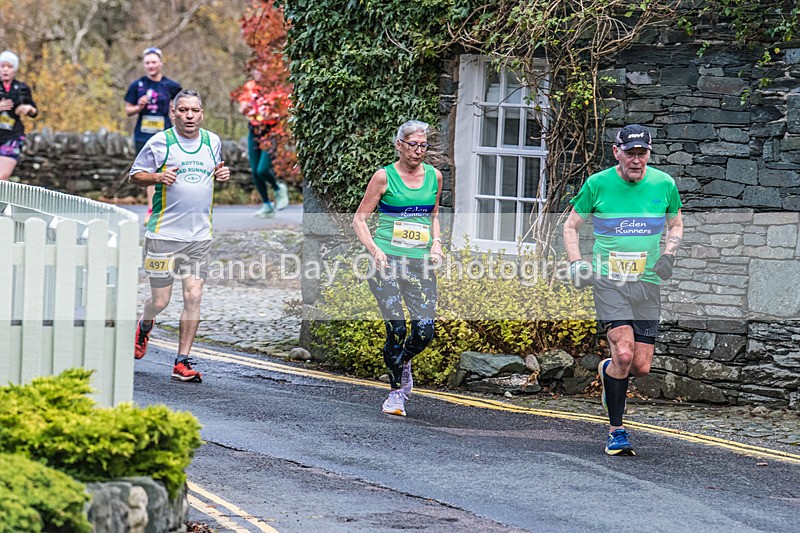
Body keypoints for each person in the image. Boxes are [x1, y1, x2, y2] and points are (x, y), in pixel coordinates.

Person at [563, 124, 683, 456]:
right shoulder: (597, 184)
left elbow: (676, 223)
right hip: (608, 282)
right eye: (630, 153)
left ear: (649, 153)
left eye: (642, 153)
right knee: (625, 353)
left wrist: (670, 254)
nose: (636, 160)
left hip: (647, 283)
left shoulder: (664, 184)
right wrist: (576, 263)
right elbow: (571, 226)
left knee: (640, 366)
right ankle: (617, 430)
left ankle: (607, 370)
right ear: (617, 152)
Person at [130, 89, 230, 383]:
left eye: (195, 110)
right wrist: (158, 177)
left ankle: (181, 362)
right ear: (173, 113)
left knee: (194, 295)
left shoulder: (212, 141)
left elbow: (215, 172)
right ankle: (145, 324)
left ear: (202, 113)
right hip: (163, 233)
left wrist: (222, 175)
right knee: (160, 300)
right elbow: (134, 175)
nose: (189, 116)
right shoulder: (161, 142)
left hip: (199, 236)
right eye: (183, 110)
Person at [353, 120, 444, 417]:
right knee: (397, 327)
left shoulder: (435, 177)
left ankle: (402, 361)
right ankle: (395, 394)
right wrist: (375, 250)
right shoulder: (384, 177)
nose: (418, 151)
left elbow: (433, 217)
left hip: (419, 263)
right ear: (399, 145)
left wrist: (437, 243)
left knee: (424, 330)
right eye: (413, 144)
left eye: (423, 145)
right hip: (386, 262)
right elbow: (360, 219)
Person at [124, 47, 182, 222]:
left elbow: (179, 107)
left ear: (161, 63)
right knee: (149, 171)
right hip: (143, 134)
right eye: (147, 63)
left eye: (154, 62)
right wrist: (139, 107)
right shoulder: (137, 85)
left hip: (165, 133)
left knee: (167, 168)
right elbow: (128, 110)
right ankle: (152, 210)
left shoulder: (171, 86)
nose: (151, 65)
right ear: (143, 65)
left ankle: (170, 209)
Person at [238, 86, 289, 217]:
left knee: (263, 170)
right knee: (255, 171)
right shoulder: (250, 86)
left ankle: (278, 188)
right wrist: (243, 108)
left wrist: (273, 114)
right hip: (254, 131)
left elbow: (285, 111)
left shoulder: (276, 87)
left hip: (272, 132)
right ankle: (267, 205)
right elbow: (242, 106)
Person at [0, 50, 37, 180]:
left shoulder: (22, 88)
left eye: (9, 67)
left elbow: (34, 111)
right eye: (2, 66)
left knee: (2, 177)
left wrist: (28, 108)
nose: (5, 70)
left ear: (14, 69)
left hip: (12, 136)